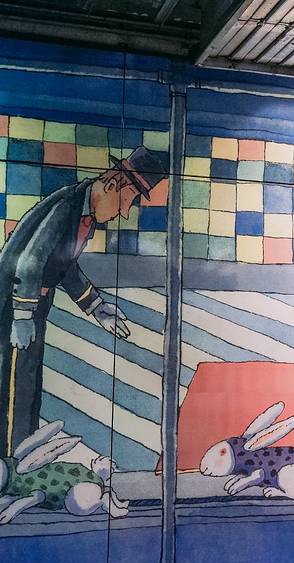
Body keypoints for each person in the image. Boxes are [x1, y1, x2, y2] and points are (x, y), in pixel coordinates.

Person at [0, 145, 168, 456]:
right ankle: (9, 464)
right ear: (113, 183)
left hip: (31, 309)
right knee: (13, 389)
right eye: (128, 200)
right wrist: (21, 316)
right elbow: (29, 262)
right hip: (12, 308)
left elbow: (64, 266)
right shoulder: (67, 207)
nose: (124, 212)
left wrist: (97, 307)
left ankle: (20, 459)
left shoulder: (83, 212)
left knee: (27, 385)